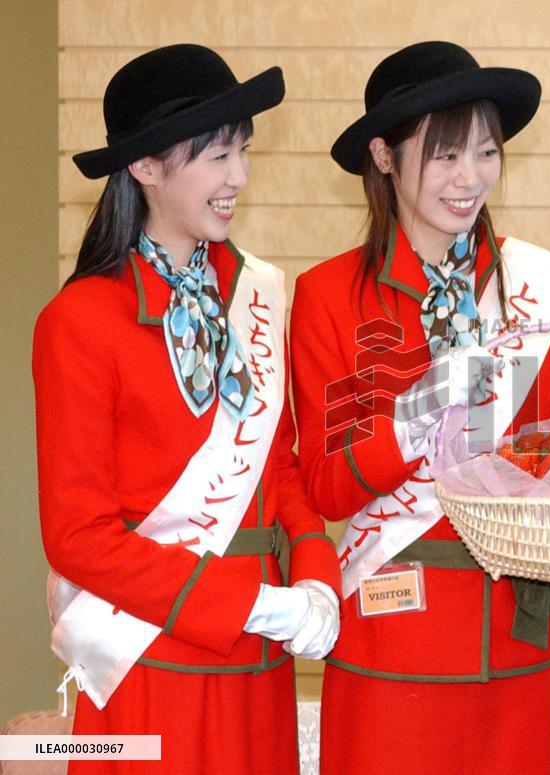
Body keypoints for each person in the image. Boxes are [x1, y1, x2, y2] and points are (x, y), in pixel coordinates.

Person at [290, 41, 550, 775]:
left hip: (516, 646)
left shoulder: (544, 290)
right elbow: (326, 486)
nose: (470, 179)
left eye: (486, 153)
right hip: (389, 649)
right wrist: (417, 418)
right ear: (384, 156)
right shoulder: (329, 296)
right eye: (446, 155)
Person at [33, 44, 341, 773]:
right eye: (217, 156)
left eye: (244, 151)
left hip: (259, 668)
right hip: (150, 666)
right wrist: (249, 604)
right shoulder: (80, 321)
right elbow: (78, 537)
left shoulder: (254, 294)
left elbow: (281, 470)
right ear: (145, 166)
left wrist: (316, 574)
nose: (239, 177)